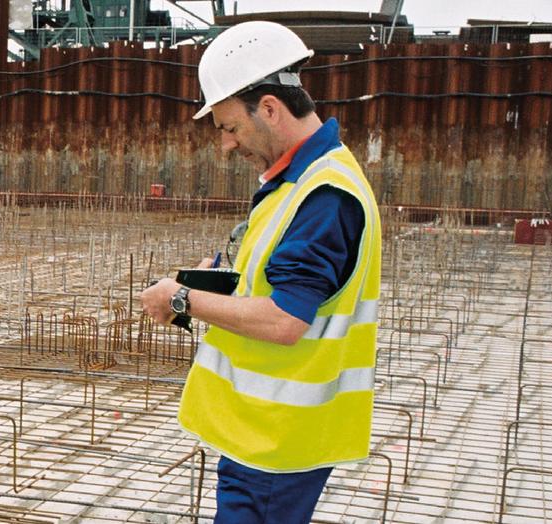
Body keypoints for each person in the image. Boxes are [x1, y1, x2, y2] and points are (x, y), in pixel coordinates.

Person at [140, 22, 382, 524]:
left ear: (269, 108)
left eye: (230, 128)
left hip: (277, 444)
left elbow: (283, 321)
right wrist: (222, 279)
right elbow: (274, 283)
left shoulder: (325, 196)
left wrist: (181, 298)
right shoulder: (300, 181)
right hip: (263, 435)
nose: (227, 145)